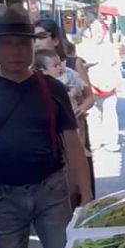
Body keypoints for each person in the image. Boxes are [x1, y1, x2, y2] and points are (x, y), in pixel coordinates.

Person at [0, 5, 92, 248]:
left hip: (51, 191)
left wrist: (86, 196)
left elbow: (72, 144)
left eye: (22, 42)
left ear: (32, 46)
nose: (16, 50)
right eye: (7, 43)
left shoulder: (50, 88)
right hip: (3, 198)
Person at [34, 19, 95, 202]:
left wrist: (80, 108)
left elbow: (89, 97)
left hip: (75, 129)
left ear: (55, 40)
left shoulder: (73, 64)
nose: (37, 42)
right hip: (50, 139)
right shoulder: (32, 70)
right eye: (33, 38)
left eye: (41, 37)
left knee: (79, 182)